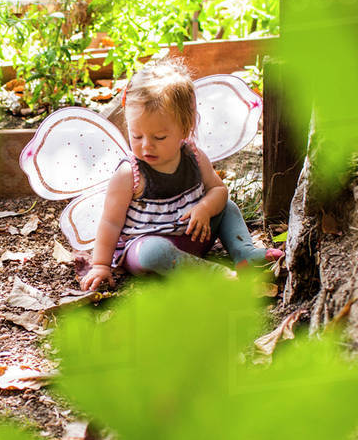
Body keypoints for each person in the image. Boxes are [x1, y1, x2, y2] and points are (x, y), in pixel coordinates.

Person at [79, 58, 282, 292]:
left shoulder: (194, 156)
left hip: (192, 235)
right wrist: (101, 265)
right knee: (154, 252)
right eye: (136, 136)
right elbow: (110, 221)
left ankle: (244, 253)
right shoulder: (130, 173)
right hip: (146, 246)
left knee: (228, 207)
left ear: (184, 130)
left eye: (159, 137)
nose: (146, 146)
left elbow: (218, 190)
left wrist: (205, 208)